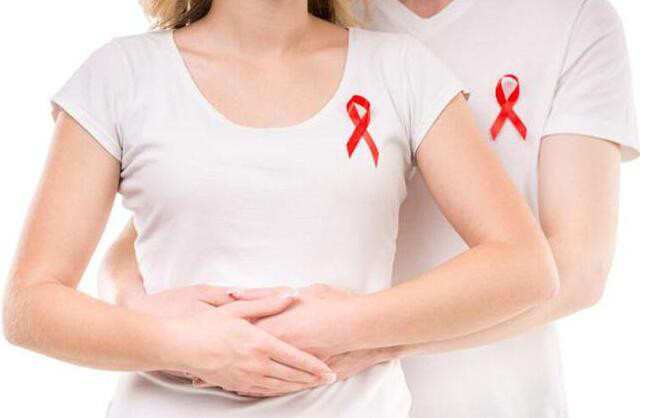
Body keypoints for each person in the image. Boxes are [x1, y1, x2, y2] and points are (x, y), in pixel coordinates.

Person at [2, 0, 560, 417]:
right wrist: (187, 346)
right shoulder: (119, 75)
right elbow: (30, 304)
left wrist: (347, 326)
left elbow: (524, 266)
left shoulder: (401, 68)